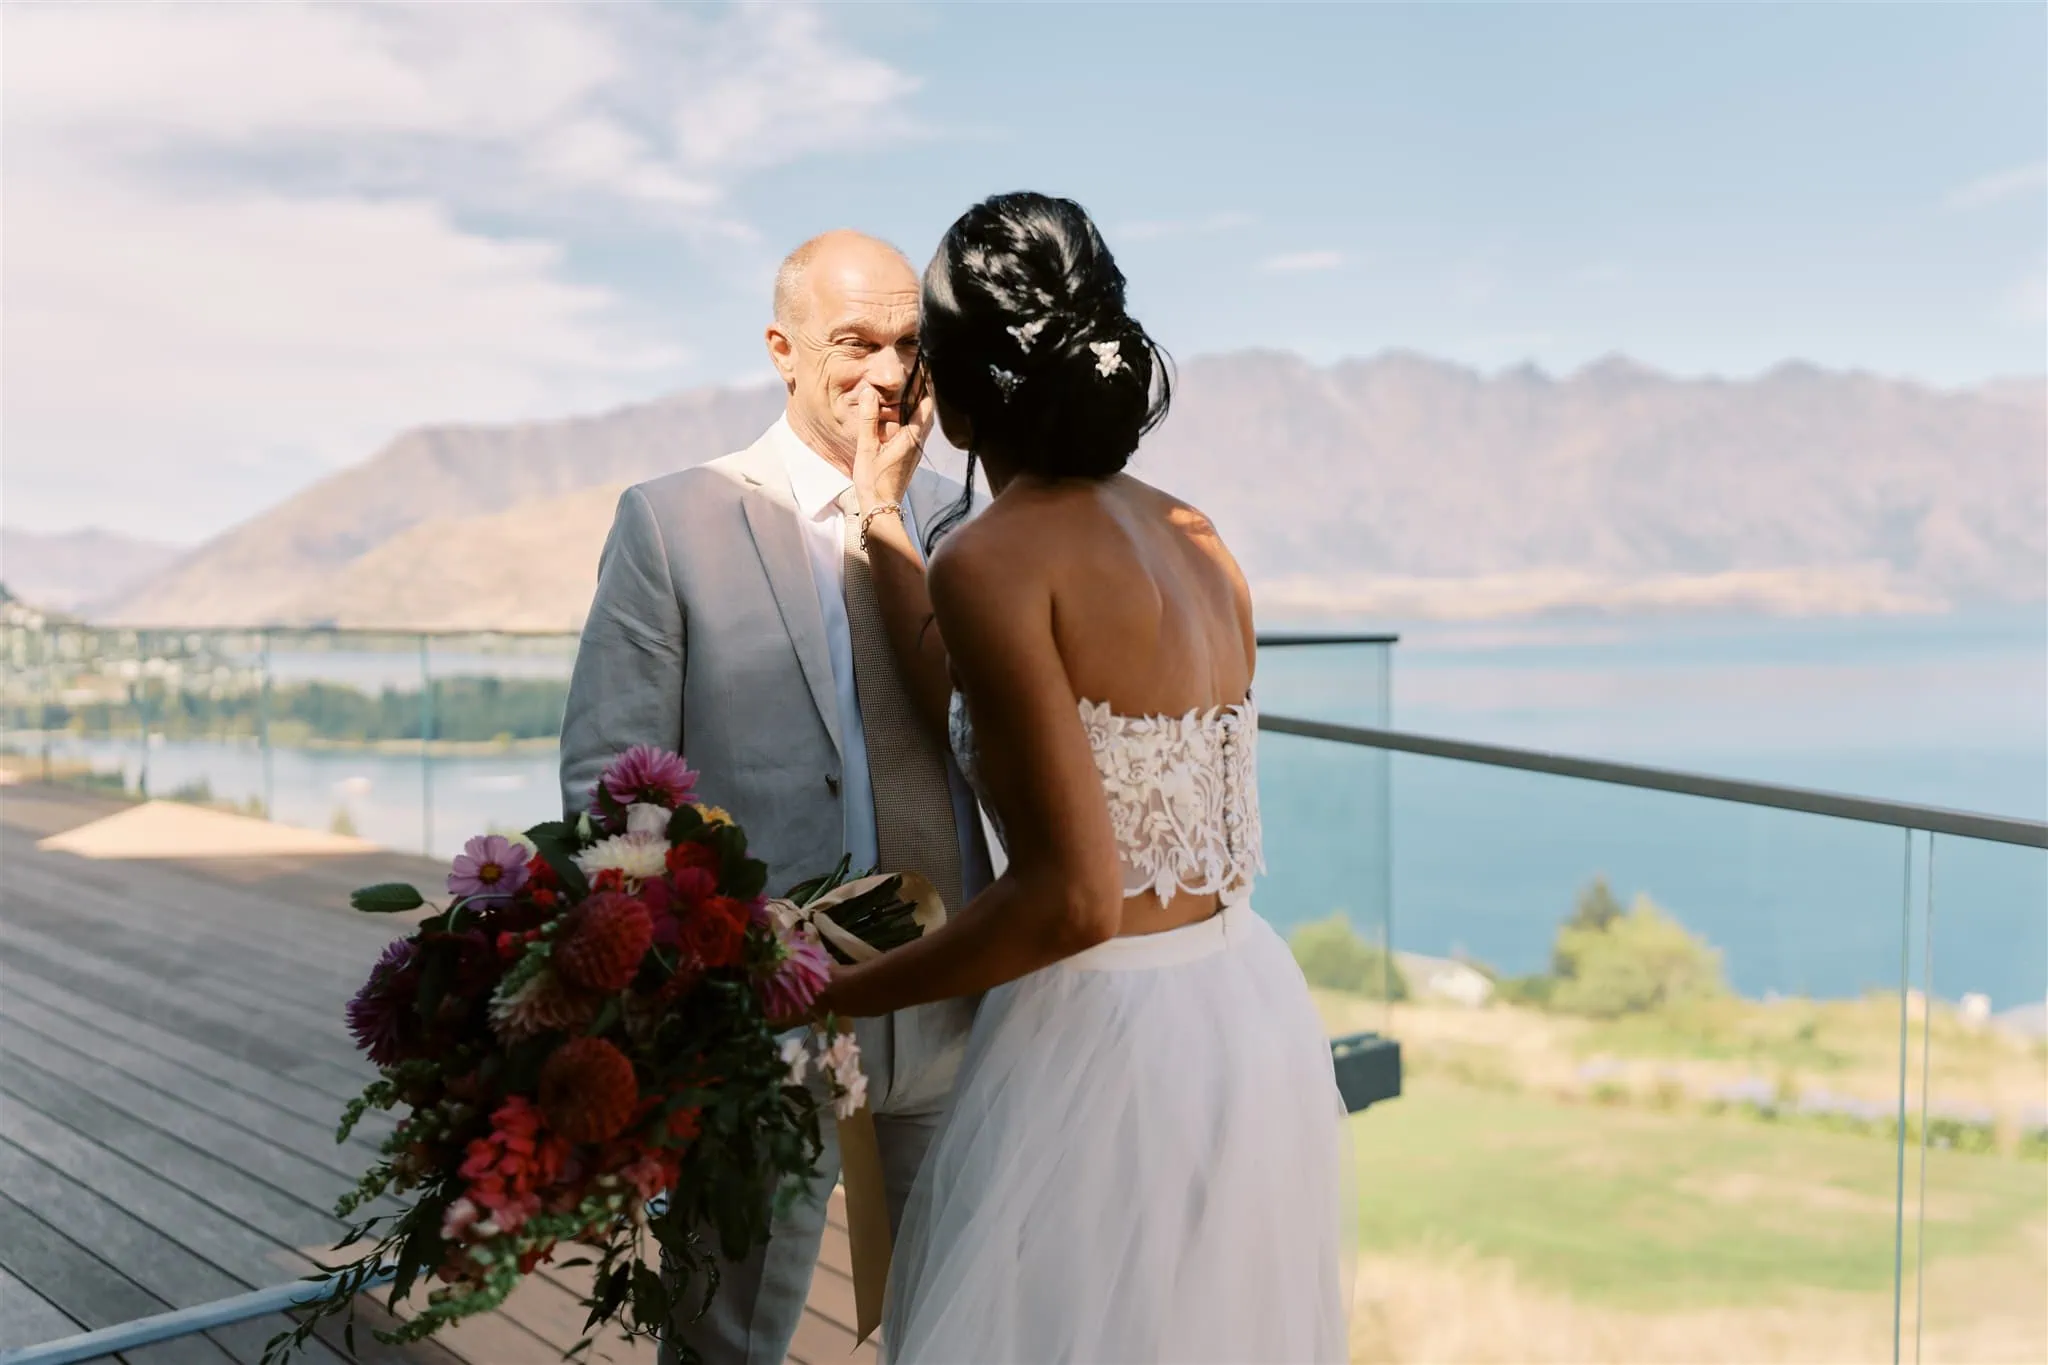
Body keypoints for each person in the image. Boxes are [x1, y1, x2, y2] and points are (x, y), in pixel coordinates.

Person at [819, 191, 1348, 1362]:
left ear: (949, 394)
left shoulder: (999, 559)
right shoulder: (1197, 536)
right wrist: (878, 517)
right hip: (1242, 1009)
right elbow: (974, 697)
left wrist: (832, 994)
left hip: (1103, 1045)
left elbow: (1069, 901)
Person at [558, 229, 994, 1365]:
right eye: (855, 343)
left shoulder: (967, 525)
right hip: (759, 1016)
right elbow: (611, 784)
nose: (888, 377)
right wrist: (694, 971)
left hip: (953, 1008)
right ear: (782, 349)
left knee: (955, 1327)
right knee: (724, 1337)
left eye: (910, 346)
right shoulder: (671, 520)